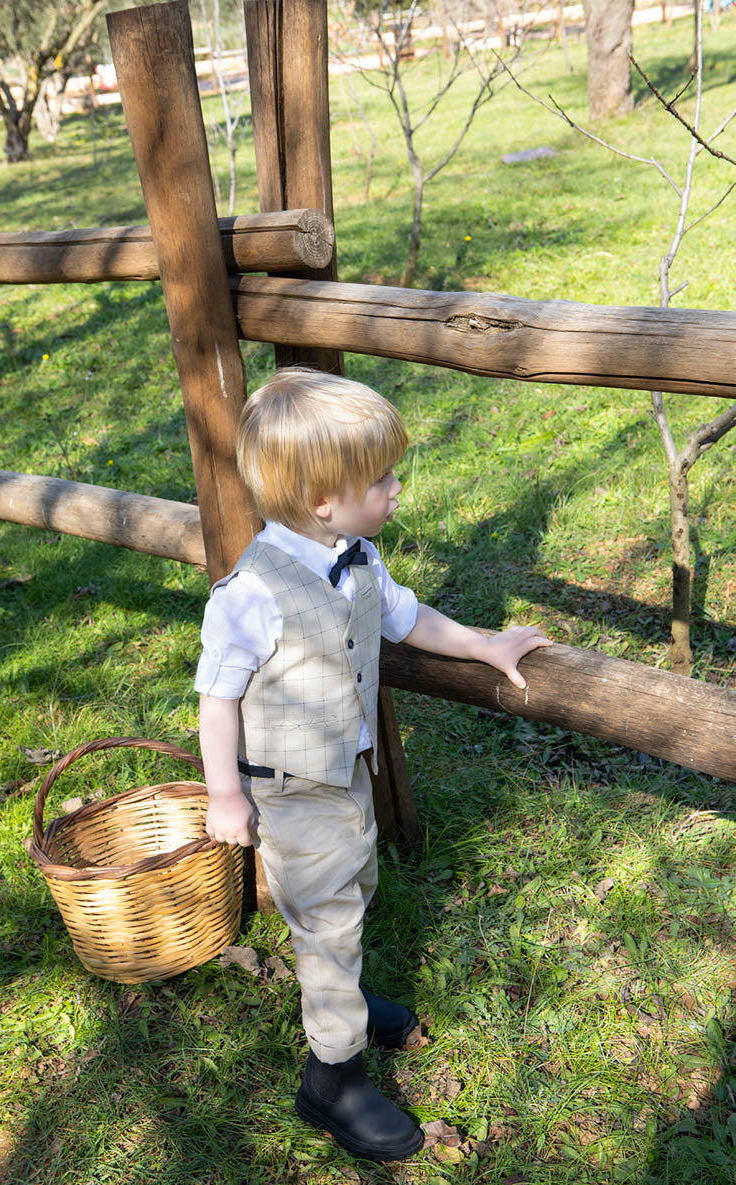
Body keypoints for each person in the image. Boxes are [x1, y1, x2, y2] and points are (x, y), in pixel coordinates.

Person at [195, 367, 552, 1162]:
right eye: (381, 476)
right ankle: (333, 1080)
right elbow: (216, 698)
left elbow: (407, 616)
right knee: (325, 927)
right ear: (324, 497)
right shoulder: (251, 592)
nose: (397, 487)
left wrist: (483, 644)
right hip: (289, 791)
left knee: (353, 891)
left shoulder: (355, 553)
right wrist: (225, 792)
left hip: (342, 777)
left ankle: (346, 1003)